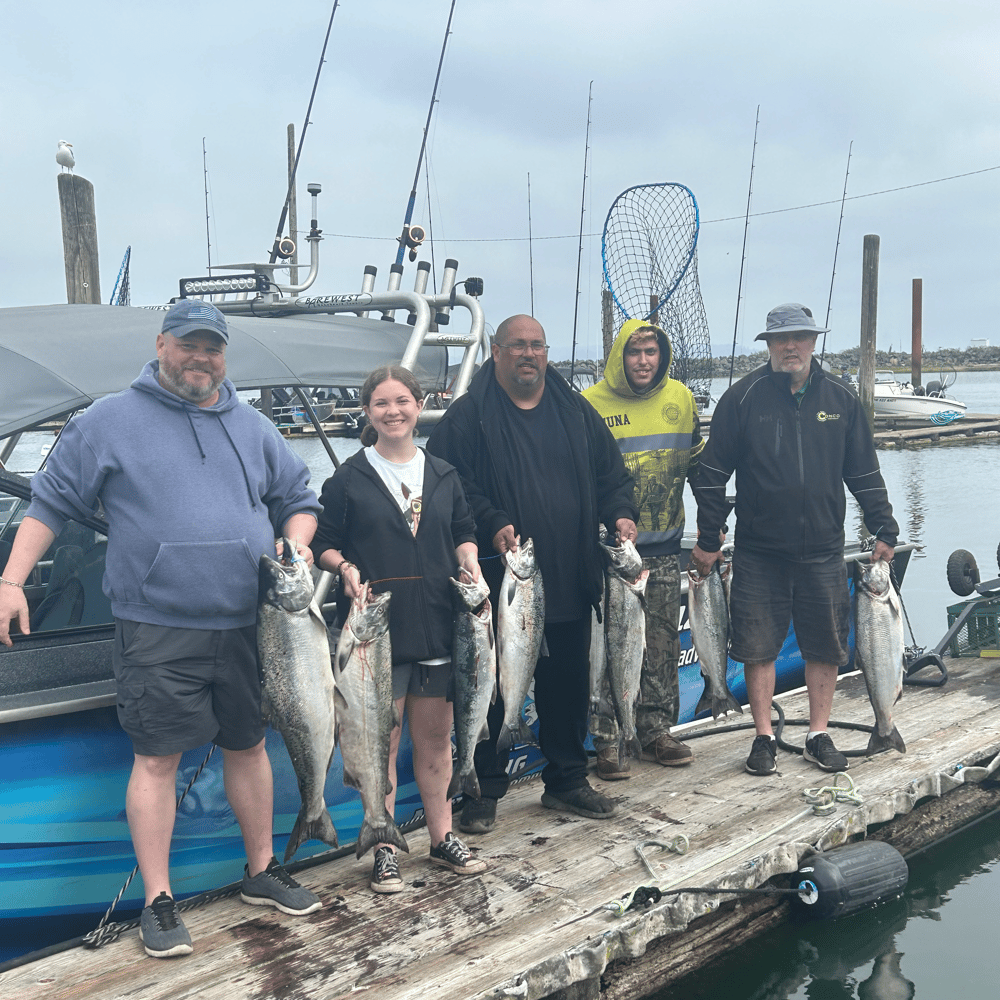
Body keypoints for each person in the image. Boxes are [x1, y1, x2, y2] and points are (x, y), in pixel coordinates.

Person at [0, 299, 324, 958]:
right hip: (156, 626)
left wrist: (298, 542)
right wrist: (11, 579)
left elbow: (300, 499)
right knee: (155, 759)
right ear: (161, 344)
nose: (200, 359)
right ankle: (158, 900)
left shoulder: (255, 425)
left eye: (212, 348)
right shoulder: (109, 421)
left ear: (224, 355)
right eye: (188, 345)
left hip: (250, 624)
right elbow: (52, 500)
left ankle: (260, 870)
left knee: (249, 745)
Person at [426, 314, 639, 834]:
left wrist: (621, 514)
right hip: (504, 581)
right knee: (497, 684)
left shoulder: (577, 412)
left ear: (547, 353)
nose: (528, 354)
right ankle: (485, 787)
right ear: (495, 352)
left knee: (567, 682)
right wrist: (493, 521)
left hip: (571, 572)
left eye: (537, 346)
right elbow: (449, 486)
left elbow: (613, 477)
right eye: (517, 345)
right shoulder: (466, 417)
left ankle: (566, 779)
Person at [689, 303, 899, 776]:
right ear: (767, 344)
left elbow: (864, 471)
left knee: (824, 646)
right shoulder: (742, 398)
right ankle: (763, 736)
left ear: (813, 341)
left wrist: (884, 527)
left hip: (824, 548)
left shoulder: (843, 400)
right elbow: (709, 475)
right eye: (781, 340)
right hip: (759, 550)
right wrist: (707, 535)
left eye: (800, 338)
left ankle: (817, 733)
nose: (791, 347)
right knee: (758, 647)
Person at [311, 365, 488, 893]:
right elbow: (323, 542)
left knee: (436, 743)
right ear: (368, 411)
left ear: (419, 404)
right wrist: (344, 569)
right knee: (379, 744)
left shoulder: (444, 473)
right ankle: (384, 846)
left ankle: (442, 837)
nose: (393, 411)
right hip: (373, 636)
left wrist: (471, 559)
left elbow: (463, 532)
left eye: (403, 401)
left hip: (437, 625)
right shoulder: (348, 477)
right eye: (382, 403)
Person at [582, 319, 703, 780]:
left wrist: (712, 528)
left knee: (660, 646)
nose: (644, 362)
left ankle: (655, 730)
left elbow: (697, 465)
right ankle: (608, 739)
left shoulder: (682, 399)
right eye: (634, 353)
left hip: (665, 547)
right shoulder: (589, 404)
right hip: (610, 555)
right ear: (619, 356)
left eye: (651, 352)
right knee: (612, 649)